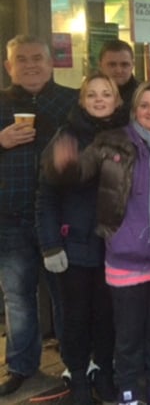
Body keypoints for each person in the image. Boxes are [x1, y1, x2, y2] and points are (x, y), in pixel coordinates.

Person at [49, 81, 150, 405]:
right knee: (128, 335)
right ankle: (128, 392)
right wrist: (64, 165)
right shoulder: (112, 142)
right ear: (134, 111)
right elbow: (79, 173)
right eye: (144, 105)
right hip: (124, 256)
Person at [36, 73, 127, 405]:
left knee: (107, 317)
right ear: (82, 101)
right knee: (75, 317)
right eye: (92, 94)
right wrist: (50, 244)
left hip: (116, 248)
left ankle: (103, 373)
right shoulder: (66, 137)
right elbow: (45, 197)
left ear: (118, 100)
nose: (100, 99)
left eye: (107, 93)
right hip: (74, 246)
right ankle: (77, 376)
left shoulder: (128, 137)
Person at [0, 34, 76, 396]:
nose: (30, 65)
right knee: (17, 295)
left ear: (51, 63)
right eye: (22, 59)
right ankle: (21, 366)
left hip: (59, 216)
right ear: (8, 66)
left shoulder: (71, 100)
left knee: (66, 293)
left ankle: (73, 363)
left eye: (37, 58)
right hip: (10, 216)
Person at [98, 39, 139, 111]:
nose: (118, 70)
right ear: (100, 65)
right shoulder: (85, 97)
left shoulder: (145, 96)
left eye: (124, 64)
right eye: (112, 65)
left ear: (133, 65)